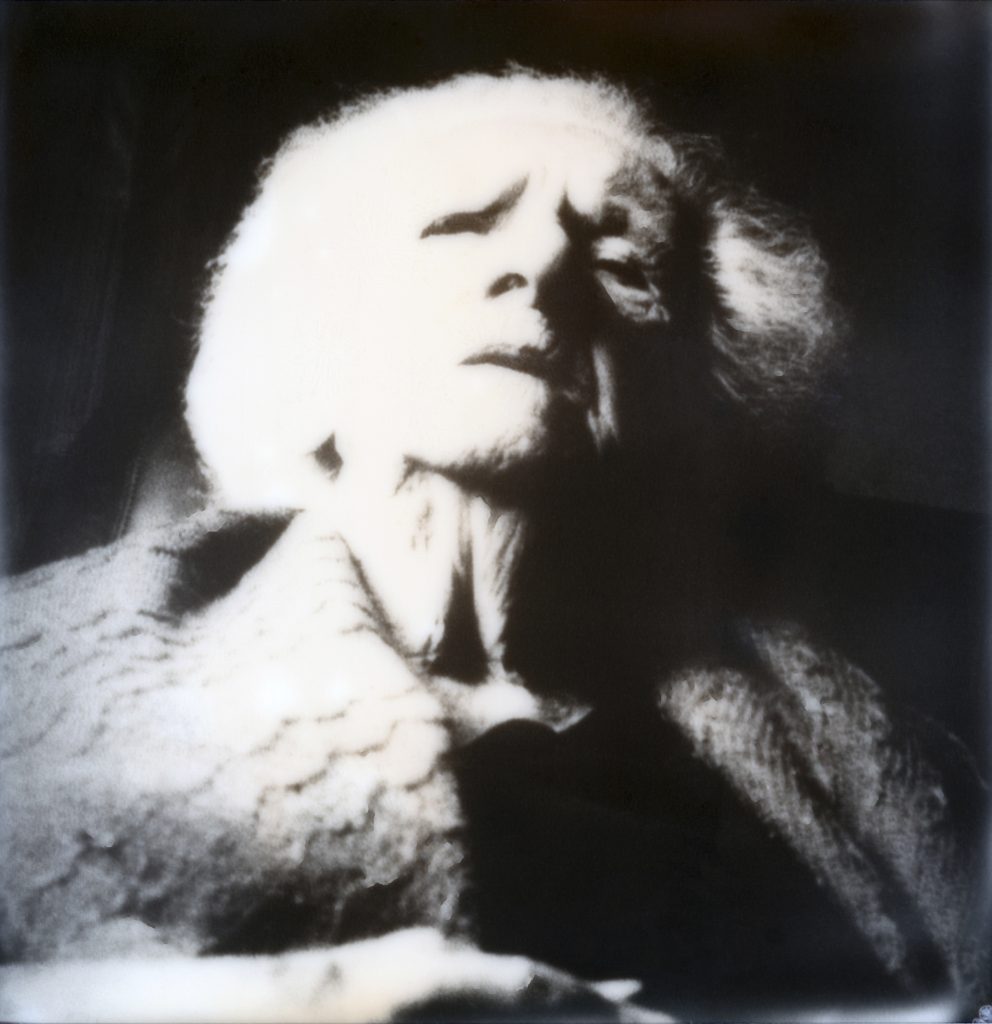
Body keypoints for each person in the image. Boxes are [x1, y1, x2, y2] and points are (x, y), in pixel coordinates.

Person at [0, 70, 983, 1021]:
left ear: (693, 408)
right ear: (318, 342)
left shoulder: (897, 771)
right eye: (461, 224)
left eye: (624, 264)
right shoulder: (36, 674)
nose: (544, 267)